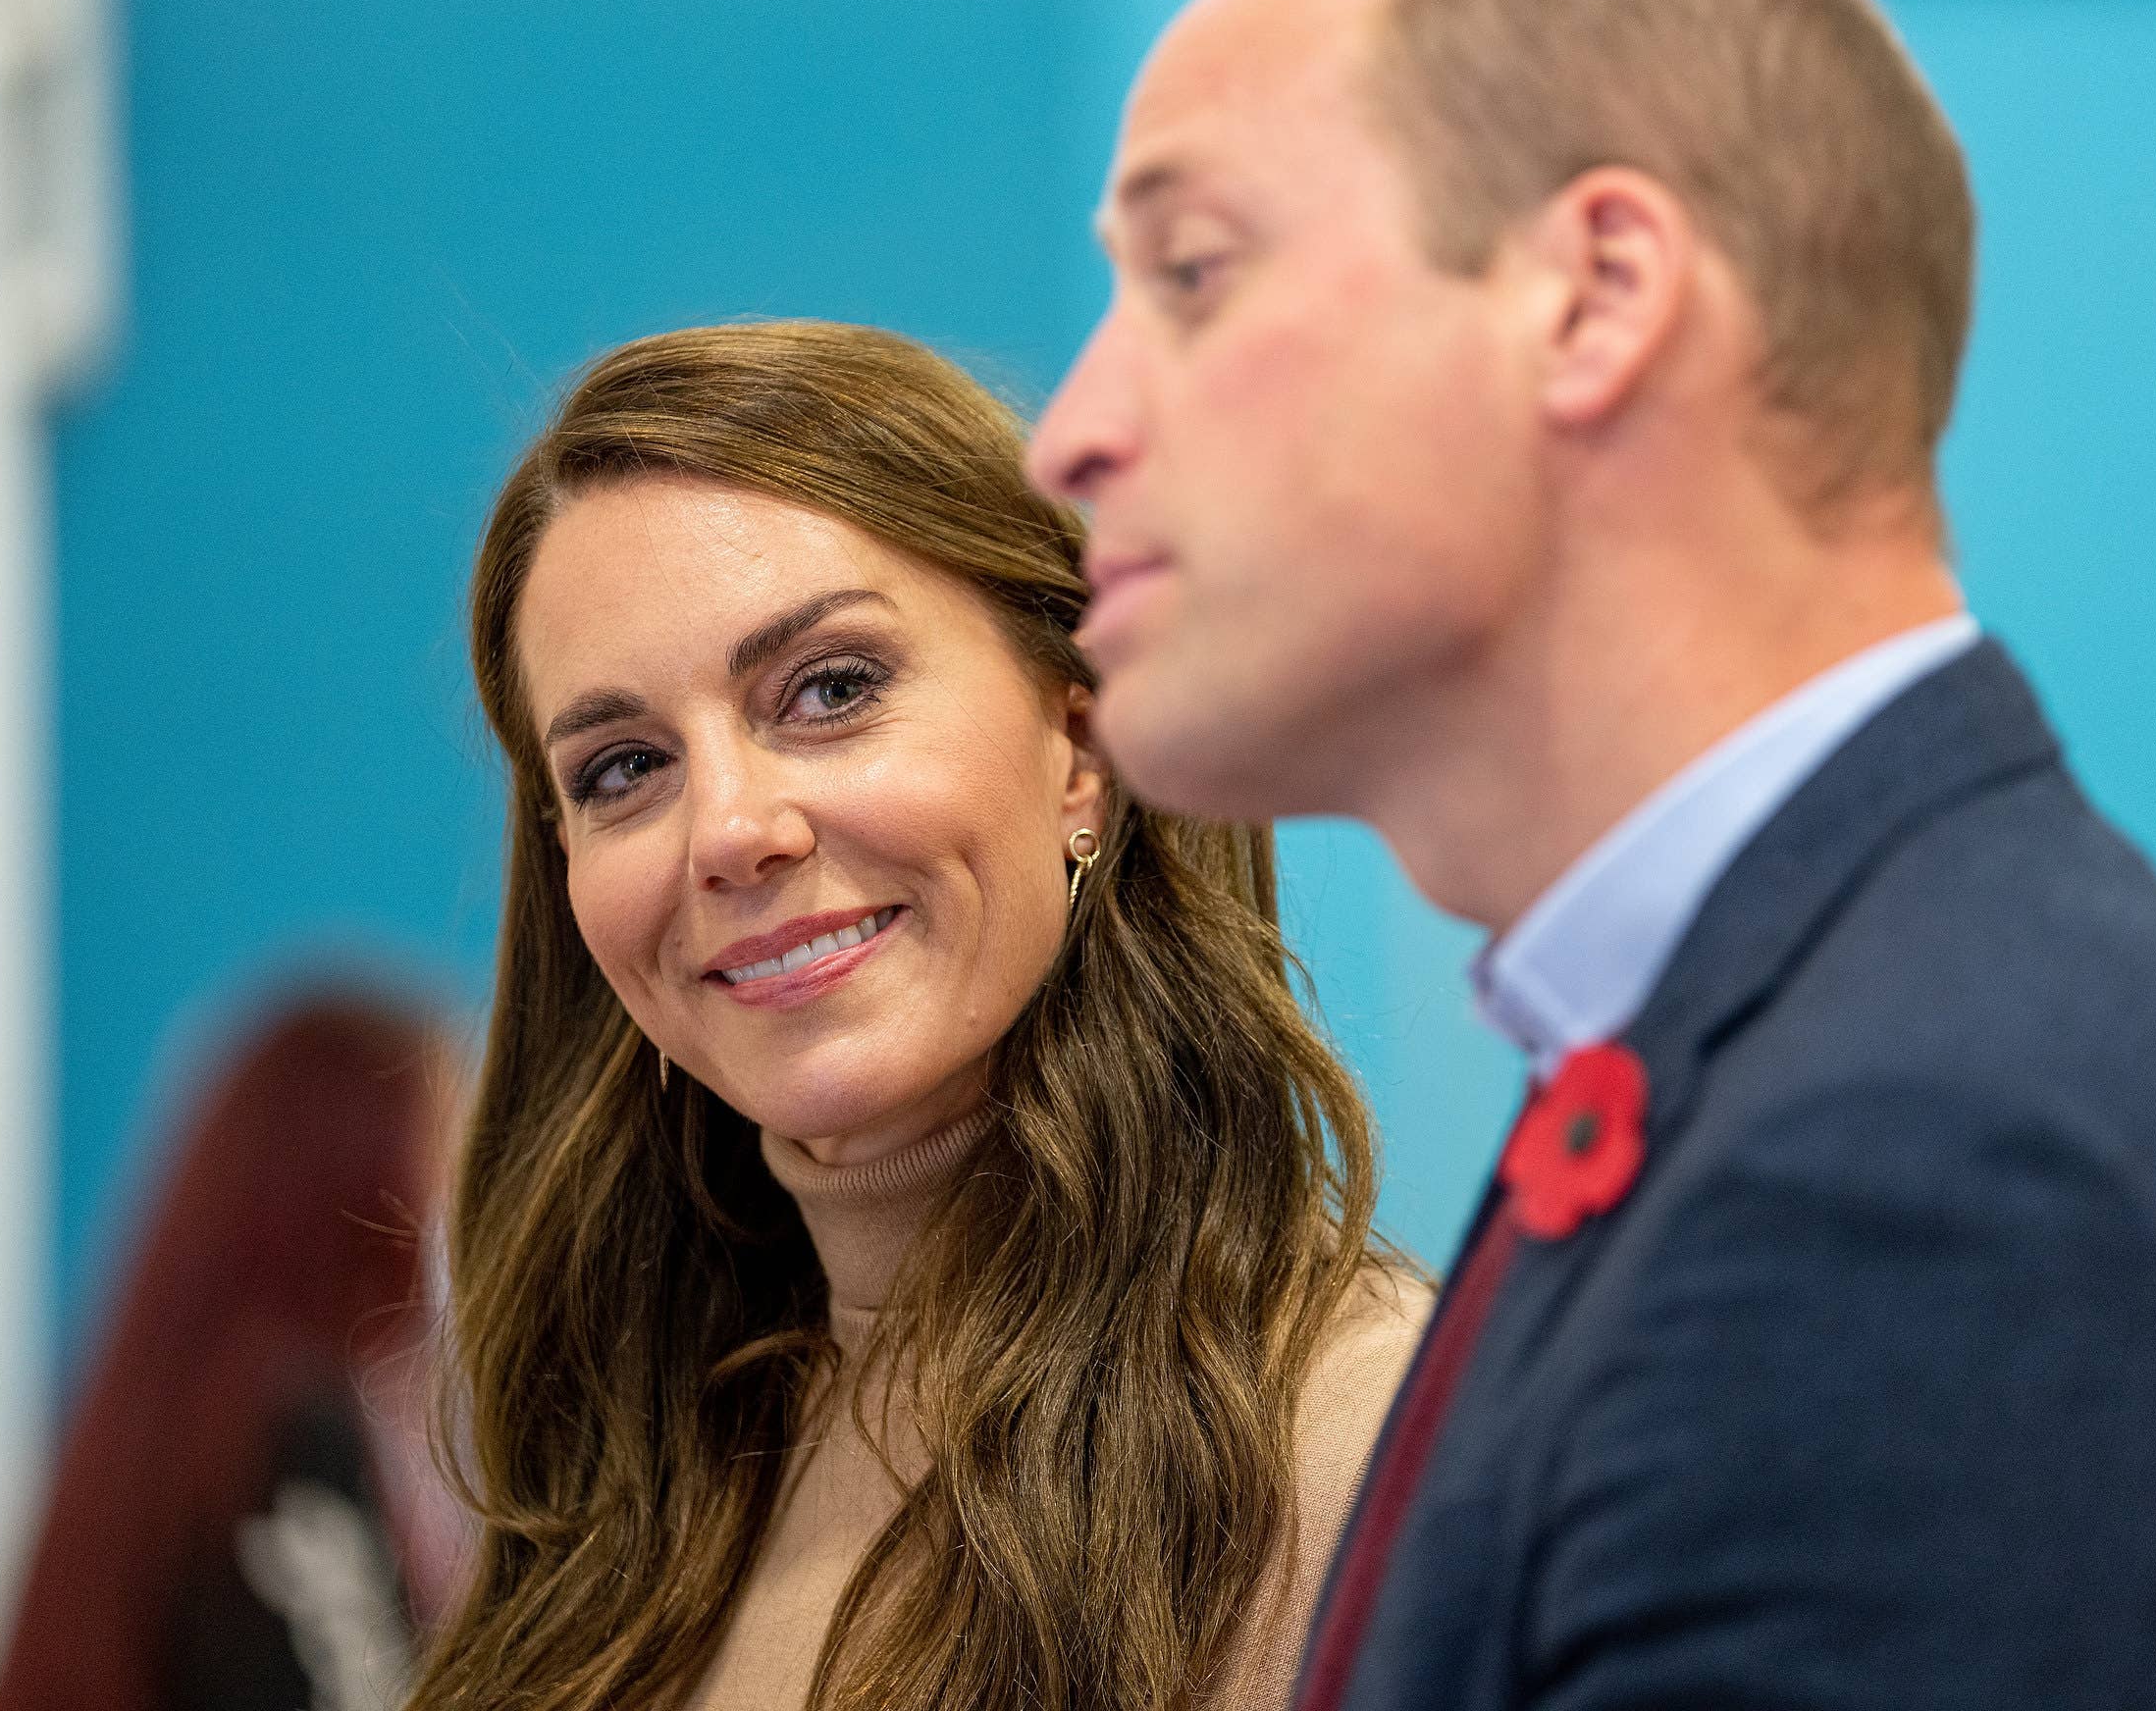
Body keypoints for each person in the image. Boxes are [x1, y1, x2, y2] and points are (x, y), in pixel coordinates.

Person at [1026, 0, 2156, 1711]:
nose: (1073, 425)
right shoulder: (1841, 1044)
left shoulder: (1923, 1174)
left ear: (1595, 296)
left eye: (1193, 274)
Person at [410, 323, 1427, 1711]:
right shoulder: (616, 1493)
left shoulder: (1377, 1443)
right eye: (626, 767)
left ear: (1080, 747)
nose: (733, 831)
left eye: (830, 691)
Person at [0, 989, 465, 1711]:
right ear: (364, 1178)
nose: (466, 1196)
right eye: (447, 1143)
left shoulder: (188, 1431)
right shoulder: (295, 1448)